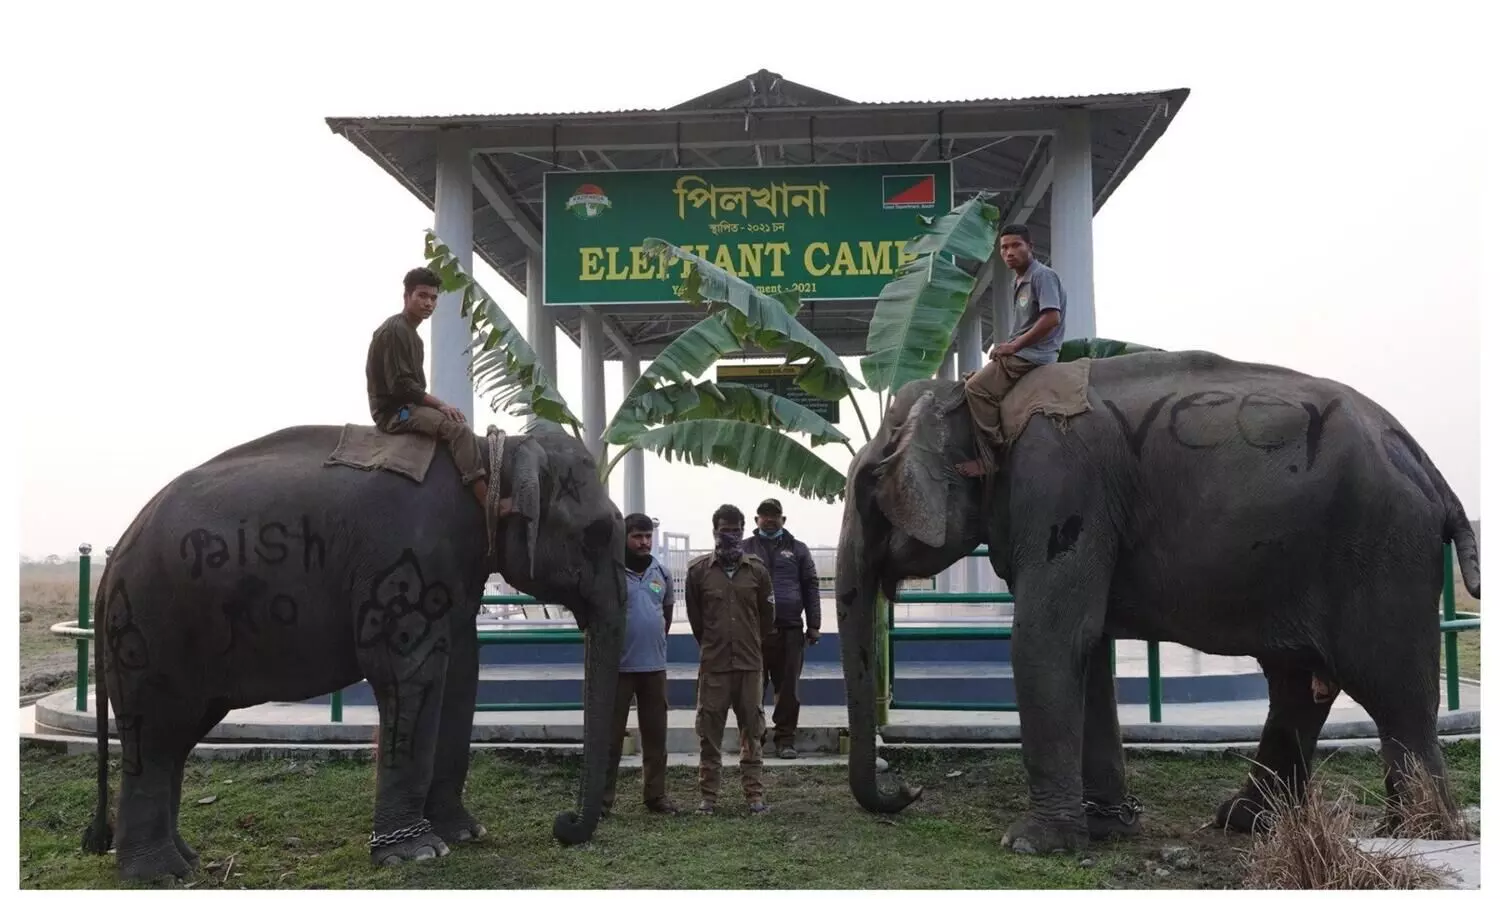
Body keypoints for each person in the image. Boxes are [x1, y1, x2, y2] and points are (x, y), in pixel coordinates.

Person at [365, 267, 511, 514]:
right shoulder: (395, 330)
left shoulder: (413, 335)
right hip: (395, 412)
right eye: (422, 296)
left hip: (408, 405)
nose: (428, 303)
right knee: (458, 429)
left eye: (433, 298)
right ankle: (487, 502)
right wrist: (441, 405)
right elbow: (402, 386)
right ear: (407, 296)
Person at [956, 224, 1069, 478]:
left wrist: (1014, 346)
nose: (1009, 252)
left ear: (1030, 246)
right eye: (1004, 247)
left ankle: (993, 457)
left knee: (976, 389)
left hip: (1034, 355)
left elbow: (1052, 318)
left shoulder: (1042, 276)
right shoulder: (1019, 280)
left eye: (1016, 245)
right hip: (1023, 353)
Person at [685, 503, 775, 815]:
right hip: (715, 666)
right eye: (725, 530)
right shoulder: (698, 572)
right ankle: (708, 798)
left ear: (743, 531)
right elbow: (697, 621)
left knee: (753, 732)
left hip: (749, 666)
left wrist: (750, 643)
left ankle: (754, 796)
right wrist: (715, 644)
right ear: (715, 531)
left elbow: (767, 617)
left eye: (736, 530)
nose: (731, 536)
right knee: (709, 734)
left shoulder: (757, 571)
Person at [602, 513, 679, 817]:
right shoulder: (610, 573)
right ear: (624, 538)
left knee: (655, 737)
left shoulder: (662, 573)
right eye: (637, 536)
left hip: (654, 669)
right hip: (618, 670)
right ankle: (602, 801)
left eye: (648, 536)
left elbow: (666, 616)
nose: (644, 542)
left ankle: (655, 796)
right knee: (610, 740)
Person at [741, 498, 821, 760]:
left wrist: (814, 624)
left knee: (788, 690)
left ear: (783, 520)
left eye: (774, 515)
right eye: (764, 515)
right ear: (756, 520)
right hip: (753, 632)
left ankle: (785, 739)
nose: (769, 519)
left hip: (790, 629)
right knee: (751, 688)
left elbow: (811, 586)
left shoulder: (798, 549)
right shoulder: (744, 548)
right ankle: (754, 739)